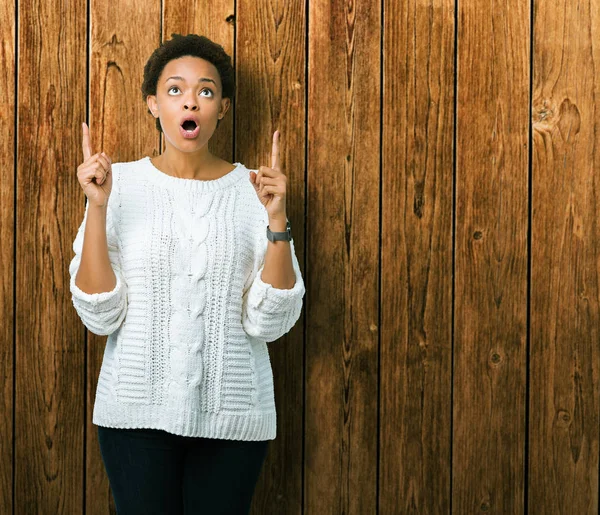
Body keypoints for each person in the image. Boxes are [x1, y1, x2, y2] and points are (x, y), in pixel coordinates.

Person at [69, 33, 305, 514]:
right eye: (174, 90)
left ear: (222, 107)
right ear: (153, 104)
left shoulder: (252, 191)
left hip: (233, 419)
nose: (190, 100)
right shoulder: (120, 184)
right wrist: (97, 206)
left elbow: (271, 322)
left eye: (206, 90)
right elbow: (99, 313)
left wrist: (276, 219)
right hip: (134, 417)